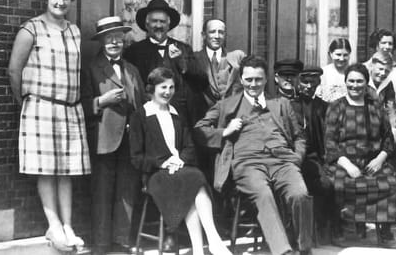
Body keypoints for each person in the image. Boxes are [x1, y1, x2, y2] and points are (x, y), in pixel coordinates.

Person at [194, 55, 314, 255]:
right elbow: (199, 129)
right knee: (263, 195)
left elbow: (299, 137)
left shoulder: (281, 104)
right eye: (248, 79)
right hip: (247, 163)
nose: (253, 84)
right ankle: (283, 251)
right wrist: (224, 131)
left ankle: (304, 248)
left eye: (258, 79)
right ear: (241, 79)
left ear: (266, 79)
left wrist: (297, 157)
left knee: (300, 194)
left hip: (283, 161)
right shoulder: (227, 104)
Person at [7, 0, 90, 252]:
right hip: (41, 107)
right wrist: (26, 102)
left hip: (70, 108)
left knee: (66, 171)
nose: (60, 2)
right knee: (46, 170)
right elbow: (13, 70)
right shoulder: (31, 29)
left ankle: (68, 226)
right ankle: (53, 226)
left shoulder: (75, 31)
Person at [129, 67, 231, 255]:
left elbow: (189, 147)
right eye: (163, 87)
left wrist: (180, 161)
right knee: (193, 179)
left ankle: (202, 248)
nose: (168, 92)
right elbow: (136, 157)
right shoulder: (140, 116)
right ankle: (213, 241)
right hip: (155, 174)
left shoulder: (177, 114)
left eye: (171, 87)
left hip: (181, 169)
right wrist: (162, 163)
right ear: (151, 88)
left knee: (192, 178)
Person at [81, 16, 145, 255]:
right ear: (101, 42)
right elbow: (81, 105)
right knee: (102, 193)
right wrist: (101, 101)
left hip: (130, 141)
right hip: (104, 139)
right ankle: (100, 245)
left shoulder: (132, 70)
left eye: (118, 38)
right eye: (109, 39)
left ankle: (122, 242)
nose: (115, 42)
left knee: (127, 192)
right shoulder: (90, 69)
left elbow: (143, 103)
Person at [324, 64, 396, 249]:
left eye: (360, 81)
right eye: (351, 81)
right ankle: (340, 227)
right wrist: (348, 165)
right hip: (343, 162)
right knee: (340, 183)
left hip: (372, 161)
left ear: (366, 83)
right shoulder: (336, 107)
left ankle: (385, 229)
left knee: (390, 182)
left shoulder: (376, 108)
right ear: (345, 82)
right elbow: (330, 143)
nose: (355, 85)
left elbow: (388, 140)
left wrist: (379, 159)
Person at [124, 0, 201, 127]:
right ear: (147, 25)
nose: (158, 25)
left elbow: (199, 80)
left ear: (169, 25)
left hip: (179, 117)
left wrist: (183, 63)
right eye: (154, 21)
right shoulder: (134, 51)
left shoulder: (183, 49)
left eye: (162, 22)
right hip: (148, 117)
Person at [291, 66, 339, 245]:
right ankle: (306, 233)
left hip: (322, 156)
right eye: (305, 82)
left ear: (319, 83)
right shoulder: (292, 105)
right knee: (317, 184)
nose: (309, 86)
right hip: (301, 157)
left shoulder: (325, 107)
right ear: (298, 82)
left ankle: (327, 229)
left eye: (313, 82)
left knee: (329, 184)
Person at [190, 18, 245, 123]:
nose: (217, 36)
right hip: (203, 120)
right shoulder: (194, 59)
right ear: (204, 35)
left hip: (232, 120)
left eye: (221, 32)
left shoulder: (237, 58)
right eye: (212, 32)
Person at [369, 52, 396, 156]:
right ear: (372, 66)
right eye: (380, 69)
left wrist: (394, 127)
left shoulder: (388, 83)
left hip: (382, 122)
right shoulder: (363, 81)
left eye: (386, 71)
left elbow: (390, 107)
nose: (383, 73)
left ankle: (395, 168)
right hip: (365, 122)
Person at [363, 29, 396, 99]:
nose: (387, 47)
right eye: (384, 43)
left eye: (390, 44)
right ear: (376, 44)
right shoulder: (365, 66)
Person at [316, 38, 352, 103]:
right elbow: (317, 97)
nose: (341, 59)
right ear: (331, 54)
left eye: (345, 55)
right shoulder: (323, 73)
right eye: (338, 55)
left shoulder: (353, 73)